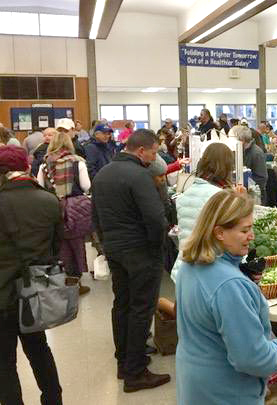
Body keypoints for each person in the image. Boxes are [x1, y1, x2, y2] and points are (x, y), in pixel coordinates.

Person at [176, 190, 277, 404]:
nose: (252, 236)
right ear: (219, 232)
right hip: (227, 392)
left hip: (196, 385)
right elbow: (252, 358)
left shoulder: (190, 265)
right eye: (244, 230)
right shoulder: (230, 286)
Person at [92, 129, 171, 392]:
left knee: (122, 304)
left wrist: (105, 244)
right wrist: (156, 247)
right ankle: (136, 372)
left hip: (114, 249)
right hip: (140, 251)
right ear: (141, 151)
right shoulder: (140, 176)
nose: (155, 156)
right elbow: (155, 219)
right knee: (141, 308)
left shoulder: (103, 174)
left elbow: (96, 216)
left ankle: (124, 361)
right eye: (154, 151)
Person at [0, 145, 64, 405]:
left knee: (4, 362)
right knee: (40, 351)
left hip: (2, 295)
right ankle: (53, 400)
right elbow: (55, 247)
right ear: (26, 167)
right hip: (35, 292)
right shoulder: (49, 200)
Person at [172, 143, 241, 281]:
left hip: (183, 268)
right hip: (208, 269)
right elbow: (228, 237)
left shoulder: (185, 194)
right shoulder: (220, 196)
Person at [36, 130, 92, 295]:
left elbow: (40, 186)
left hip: (52, 207)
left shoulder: (44, 164)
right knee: (76, 243)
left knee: (58, 243)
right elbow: (86, 186)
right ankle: (76, 280)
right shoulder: (78, 162)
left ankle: (60, 278)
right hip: (75, 208)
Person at [238, 126, 268, 204]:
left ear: (242, 140)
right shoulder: (243, 150)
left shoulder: (257, 153)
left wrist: (245, 183)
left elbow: (262, 178)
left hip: (256, 195)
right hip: (247, 192)